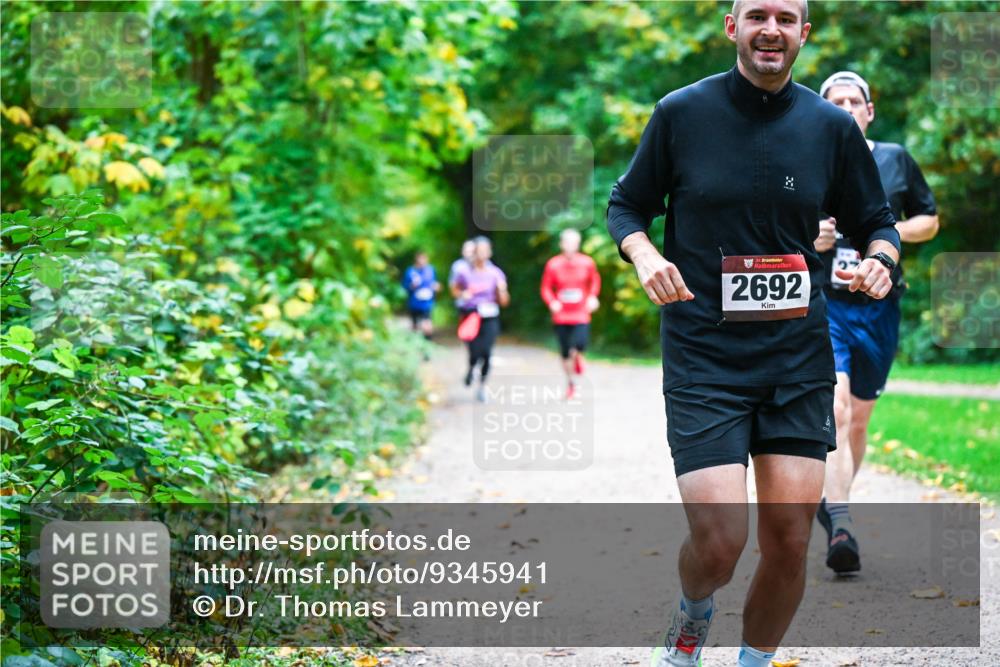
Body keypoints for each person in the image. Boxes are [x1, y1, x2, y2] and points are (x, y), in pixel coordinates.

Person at [605, 2, 901, 666]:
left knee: (792, 537)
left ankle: (753, 660)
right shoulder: (682, 112)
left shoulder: (830, 128)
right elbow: (626, 203)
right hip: (704, 353)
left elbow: (877, 219)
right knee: (718, 541)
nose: (773, 28)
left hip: (796, 354)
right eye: (758, 14)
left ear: (804, 33)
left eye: (787, 17)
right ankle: (693, 613)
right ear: (732, 27)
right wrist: (644, 254)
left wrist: (882, 258)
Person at [813, 71, 939, 575]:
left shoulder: (895, 159)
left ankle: (836, 499)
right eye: (834, 102)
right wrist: (812, 236)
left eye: (853, 100)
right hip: (826, 303)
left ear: (869, 110)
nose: (845, 107)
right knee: (837, 410)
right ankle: (840, 524)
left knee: (860, 418)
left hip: (880, 307)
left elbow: (929, 219)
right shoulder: (804, 161)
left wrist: (885, 235)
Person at [540, 228, 601, 399]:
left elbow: (595, 281)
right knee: (565, 351)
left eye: (574, 242)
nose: (570, 246)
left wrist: (592, 297)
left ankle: (578, 357)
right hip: (561, 316)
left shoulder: (587, 262)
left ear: (578, 244)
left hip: (581, 313)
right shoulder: (553, 264)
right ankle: (571, 384)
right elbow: (545, 288)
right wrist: (552, 302)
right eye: (567, 242)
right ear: (561, 244)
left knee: (580, 344)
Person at [453, 237, 510, 402]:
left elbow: (505, 301)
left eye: (486, 251)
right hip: (470, 315)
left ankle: (482, 386)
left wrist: (502, 292)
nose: (483, 254)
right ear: (474, 252)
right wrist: (463, 294)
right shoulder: (464, 272)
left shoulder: (496, 273)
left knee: (486, 352)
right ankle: (471, 367)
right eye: (479, 251)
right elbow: (455, 290)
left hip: (490, 316)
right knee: (474, 351)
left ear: (490, 252)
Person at [402, 251, 441, 345]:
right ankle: (415, 345)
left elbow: (436, 283)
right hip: (414, 303)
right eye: (421, 258)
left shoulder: (431, 270)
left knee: (427, 325)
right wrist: (412, 286)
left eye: (425, 258)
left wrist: (436, 287)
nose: (423, 261)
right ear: (417, 259)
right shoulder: (410, 271)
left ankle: (428, 346)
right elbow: (405, 286)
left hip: (427, 303)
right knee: (414, 326)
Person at [448, 239, 477, 311]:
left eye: (471, 251)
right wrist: (462, 294)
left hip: (481, 305)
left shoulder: (484, 264)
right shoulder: (458, 266)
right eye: (466, 251)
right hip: (464, 306)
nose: (469, 254)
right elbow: (452, 287)